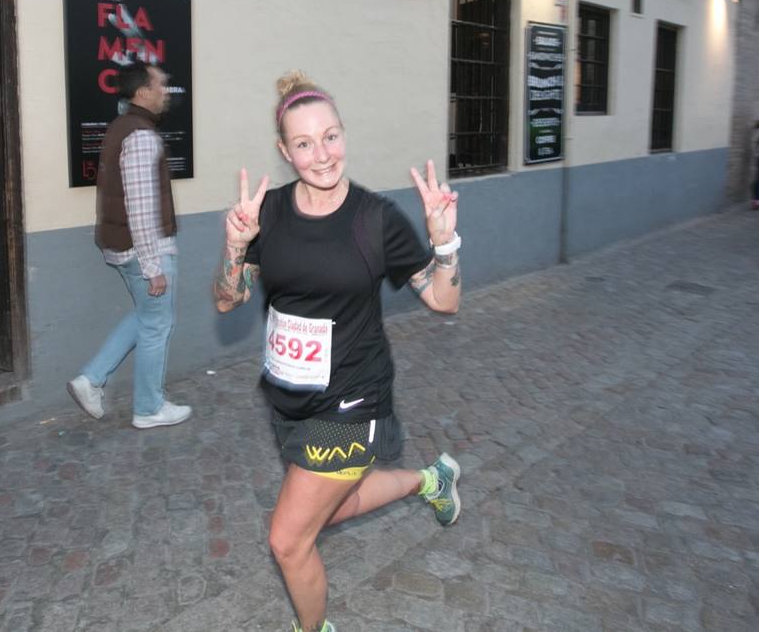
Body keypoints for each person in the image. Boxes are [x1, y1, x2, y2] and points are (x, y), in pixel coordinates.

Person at [213, 72, 463, 632]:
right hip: (288, 397)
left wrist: (444, 242)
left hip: (352, 401)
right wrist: (234, 246)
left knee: (289, 539)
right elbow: (229, 300)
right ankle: (431, 480)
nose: (321, 154)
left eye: (331, 137)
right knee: (337, 507)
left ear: (344, 134)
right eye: (304, 143)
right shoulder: (268, 213)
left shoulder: (375, 220)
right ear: (285, 151)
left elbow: (444, 301)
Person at [67, 61, 191, 430]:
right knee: (157, 326)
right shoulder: (140, 135)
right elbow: (140, 206)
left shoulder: (123, 128)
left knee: (146, 317)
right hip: (143, 250)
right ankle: (149, 408)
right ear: (142, 92)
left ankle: (90, 380)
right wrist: (153, 266)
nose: (165, 91)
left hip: (125, 246)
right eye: (160, 84)